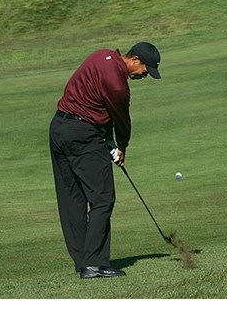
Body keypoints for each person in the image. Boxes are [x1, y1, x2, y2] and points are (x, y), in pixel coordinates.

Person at [49, 42, 162, 279]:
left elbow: (97, 103)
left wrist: (106, 140)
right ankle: (95, 263)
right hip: (82, 136)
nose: (144, 75)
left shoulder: (100, 56)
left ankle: (83, 262)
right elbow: (122, 121)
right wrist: (121, 148)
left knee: (73, 199)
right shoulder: (119, 86)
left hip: (59, 128)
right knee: (103, 198)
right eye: (146, 70)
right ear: (136, 60)